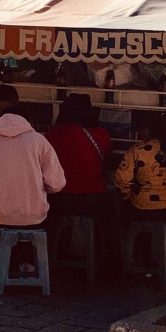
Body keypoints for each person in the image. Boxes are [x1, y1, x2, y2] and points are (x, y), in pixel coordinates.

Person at [0, 105, 66, 268]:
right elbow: (57, 183)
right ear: (27, 121)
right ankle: (32, 262)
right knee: (52, 215)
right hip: (34, 216)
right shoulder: (39, 141)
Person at [46, 94, 118, 269]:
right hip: (93, 199)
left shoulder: (52, 135)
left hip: (60, 200)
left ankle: (53, 256)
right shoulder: (100, 134)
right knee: (114, 208)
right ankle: (113, 260)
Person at [114, 114, 166, 223]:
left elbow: (121, 180)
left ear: (150, 130)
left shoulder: (137, 150)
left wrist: (129, 195)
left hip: (143, 210)